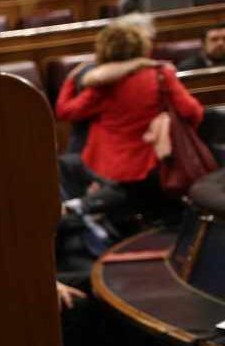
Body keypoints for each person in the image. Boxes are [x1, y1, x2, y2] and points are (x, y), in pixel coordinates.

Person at [56, 21, 204, 220]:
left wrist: (70, 80)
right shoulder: (160, 75)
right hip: (155, 162)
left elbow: (65, 111)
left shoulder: (104, 85)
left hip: (111, 166)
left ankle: (83, 208)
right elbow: (193, 112)